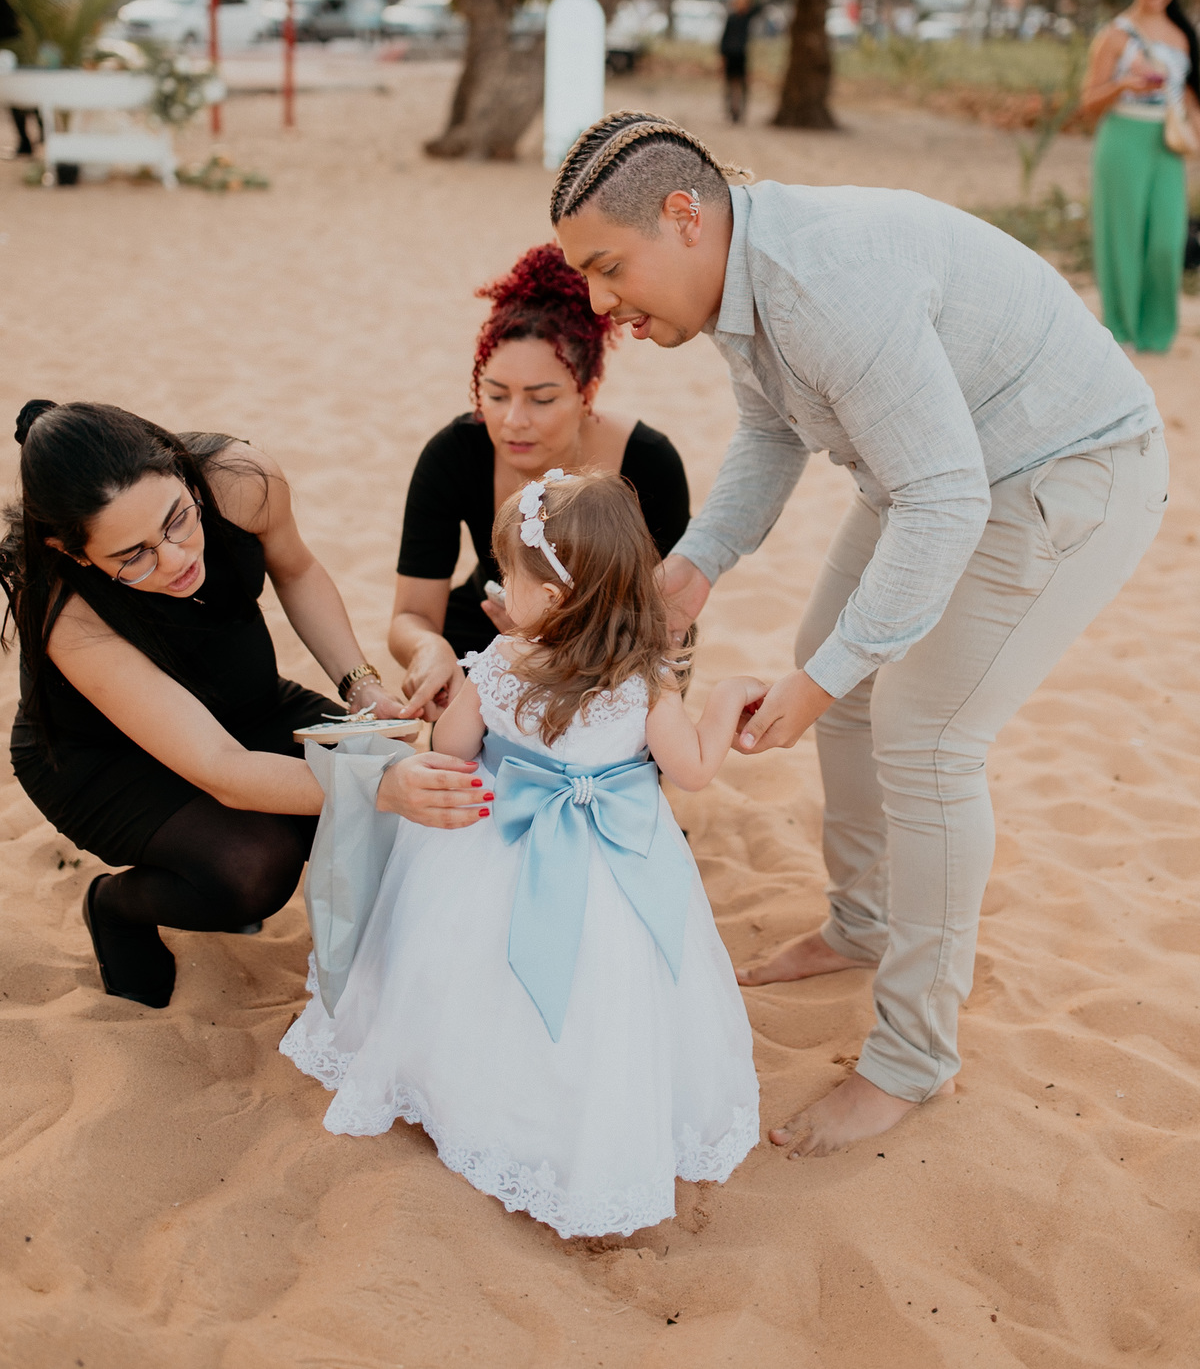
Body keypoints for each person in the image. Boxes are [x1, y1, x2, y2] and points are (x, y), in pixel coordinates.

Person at [550, 110, 1167, 1158]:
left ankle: (910, 1060)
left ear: (685, 216)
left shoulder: (822, 283)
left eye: (610, 269)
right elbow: (772, 430)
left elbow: (946, 501)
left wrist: (824, 679)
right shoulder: (737, 279)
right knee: (836, 677)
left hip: (1066, 471)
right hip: (933, 469)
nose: (603, 305)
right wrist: (695, 566)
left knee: (923, 734)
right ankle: (864, 921)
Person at [282, 469, 762, 1237]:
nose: (503, 588)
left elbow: (456, 746)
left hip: (495, 844)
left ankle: (464, 1091)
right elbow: (695, 771)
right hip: (615, 859)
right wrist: (726, 700)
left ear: (558, 597)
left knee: (470, 973)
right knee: (604, 992)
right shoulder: (645, 684)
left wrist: (457, 704)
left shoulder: (503, 662)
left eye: (514, 575)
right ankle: (576, 1118)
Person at [1, 401, 490, 1010]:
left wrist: (361, 686)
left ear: (181, 472)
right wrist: (379, 783)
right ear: (74, 553)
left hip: (241, 694)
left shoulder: (240, 480)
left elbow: (299, 570)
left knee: (390, 800)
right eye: (134, 556)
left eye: (179, 519)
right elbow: (223, 770)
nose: (177, 558)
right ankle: (115, 906)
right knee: (252, 867)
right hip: (103, 757)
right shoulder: (64, 612)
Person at [388, 242, 690, 719]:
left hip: (616, 650)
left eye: (542, 399)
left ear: (586, 391)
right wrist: (430, 650)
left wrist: (552, 635)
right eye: (496, 395)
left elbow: (667, 621)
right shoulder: (454, 454)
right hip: (492, 625)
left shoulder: (648, 464)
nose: (513, 421)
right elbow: (411, 617)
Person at [1082, 0, 1199, 354]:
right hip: (1123, 138)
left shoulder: (1183, 35)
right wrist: (1123, 85)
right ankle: (1120, 329)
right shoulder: (1115, 34)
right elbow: (1088, 100)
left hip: (1166, 145)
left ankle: (1157, 332)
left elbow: (1188, 97)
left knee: (1167, 240)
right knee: (1122, 236)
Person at [0, 0, 39, 158]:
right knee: (24, 91)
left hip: (11, 43)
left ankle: (27, 142)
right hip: (19, 42)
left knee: (16, 92)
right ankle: (34, 137)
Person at [718, 0, 765, 123]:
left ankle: (740, 113)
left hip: (741, 55)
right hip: (730, 55)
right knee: (729, 85)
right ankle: (730, 111)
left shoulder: (746, 17)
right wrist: (722, 56)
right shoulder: (731, 18)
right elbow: (724, 38)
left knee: (742, 85)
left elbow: (760, 7)